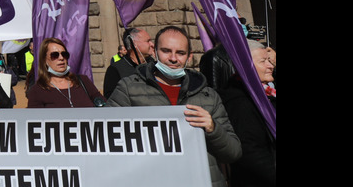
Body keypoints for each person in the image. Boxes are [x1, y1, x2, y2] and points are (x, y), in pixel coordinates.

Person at [108, 26, 241, 187]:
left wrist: (213, 128)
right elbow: (107, 140)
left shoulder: (208, 96)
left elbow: (233, 153)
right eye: (166, 51)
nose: (173, 58)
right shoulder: (129, 89)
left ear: (189, 57)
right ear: (155, 52)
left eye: (180, 53)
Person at [217, 42, 276, 187]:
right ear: (245, 66)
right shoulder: (240, 101)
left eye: (269, 60)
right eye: (263, 61)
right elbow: (250, 152)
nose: (270, 66)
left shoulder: (265, 94)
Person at [27, 37, 104, 108]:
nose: (61, 58)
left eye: (64, 54)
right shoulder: (37, 91)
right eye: (55, 55)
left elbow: (105, 107)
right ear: (44, 60)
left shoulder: (83, 81)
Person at [103, 27, 154, 99]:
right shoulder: (115, 69)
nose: (152, 44)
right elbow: (111, 100)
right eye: (148, 41)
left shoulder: (154, 65)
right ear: (134, 44)